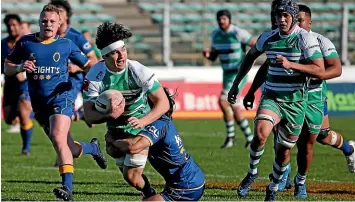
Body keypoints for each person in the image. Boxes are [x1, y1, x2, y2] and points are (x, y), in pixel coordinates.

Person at [244, 4, 355, 198]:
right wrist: (252, 89)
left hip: (314, 96)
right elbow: (267, 66)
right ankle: (283, 173)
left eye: (301, 20)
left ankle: (347, 149)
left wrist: (313, 75)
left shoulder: (320, 41)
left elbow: (336, 69)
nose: (298, 24)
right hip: (287, 95)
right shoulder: (284, 39)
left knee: (319, 137)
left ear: (309, 22)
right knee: (276, 133)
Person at [4, 4, 107, 200]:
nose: (48, 24)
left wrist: (98, 77)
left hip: (62, 97)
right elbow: (7, 67)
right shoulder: (26, 43)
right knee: (68, 147)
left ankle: (67, 188)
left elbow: (87, 65)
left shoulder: (66, 44)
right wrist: (19, 67)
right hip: (40, 104)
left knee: (58, 138)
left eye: (52, 21)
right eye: (44, 21)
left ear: (60, 22)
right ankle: (93, 148)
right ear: (39, 22)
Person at [228, 0, 326, 200]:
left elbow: (319, 70)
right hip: (272, 97)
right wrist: (237, 84)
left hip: (296, 103)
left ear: (293, 18)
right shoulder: (268, 37)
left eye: (286, 16)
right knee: (261, 134)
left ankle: (272, 188)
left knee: (283, 153)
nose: (281, 19)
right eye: (278, 16)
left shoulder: (305, 39)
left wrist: (292, 64)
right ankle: (252, 173)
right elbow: (250, 57)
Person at [82, 22, 170, 198]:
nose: (121, 55)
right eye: (115, 52)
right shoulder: (95, 76)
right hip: (116, 129)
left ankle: (154, 194)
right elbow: (89, 115)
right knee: (127, 173)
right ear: (105, 56)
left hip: (141, 125)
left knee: (132, 175)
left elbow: (163, 102)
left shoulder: (137, 70)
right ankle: (149, 191)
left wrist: (143, 121)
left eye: (123, 49)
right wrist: (108, 115)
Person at [105, 88, 205, 201]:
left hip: (187, 185)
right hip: (182, 181)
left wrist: (112, 140)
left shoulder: (159, 122)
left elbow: (133, 147)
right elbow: (117, 151)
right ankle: (148, 192)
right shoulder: (152, 121)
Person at [202, 9, 256, 149]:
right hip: (227, 75)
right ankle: (249, 137)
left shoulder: (238, 33)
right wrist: (208, 55)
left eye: (224, 19)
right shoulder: (215, 34)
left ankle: (232, 136)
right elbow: (214, 56)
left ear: (229, 20)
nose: (221, 21)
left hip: (239, 74)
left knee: (223, 100)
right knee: (233, 106)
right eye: (219, 19)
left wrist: (248, 62)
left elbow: (256, 46)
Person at [50, 0, 98, 126]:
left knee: (60, 114)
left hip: (73, 79)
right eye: (55, 12)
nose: (57, 15)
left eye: (60, 11)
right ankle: (83, 115)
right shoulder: (47, 36)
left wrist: (76, 68)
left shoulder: (77, 37)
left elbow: (94, 61)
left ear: (67, 16)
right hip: (52, 79)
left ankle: (82, 114)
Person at [1, 14, 33, 155]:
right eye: (9, 25)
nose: (11, 27)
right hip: (9, 84)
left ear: (20, 26)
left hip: (25, 84)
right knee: (9, 119)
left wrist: (24, 72)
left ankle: (26, 148)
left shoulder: (28, 43)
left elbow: (36, 61)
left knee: (23, 112)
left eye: (14, 24)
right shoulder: (2, 44)